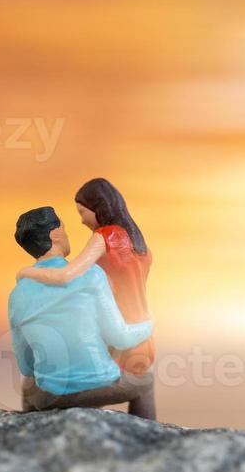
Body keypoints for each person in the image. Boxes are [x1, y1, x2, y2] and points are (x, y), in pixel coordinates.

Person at [16, 179, 156, 420]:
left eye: (82, 212)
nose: (81, 220)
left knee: (86, 379)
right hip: (140, 334)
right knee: (104, 380)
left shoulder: (105, 237)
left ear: (98, 206)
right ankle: (145, 433)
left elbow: (67, 274)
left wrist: (27, 272)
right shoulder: (138, 243)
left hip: (117, 335)